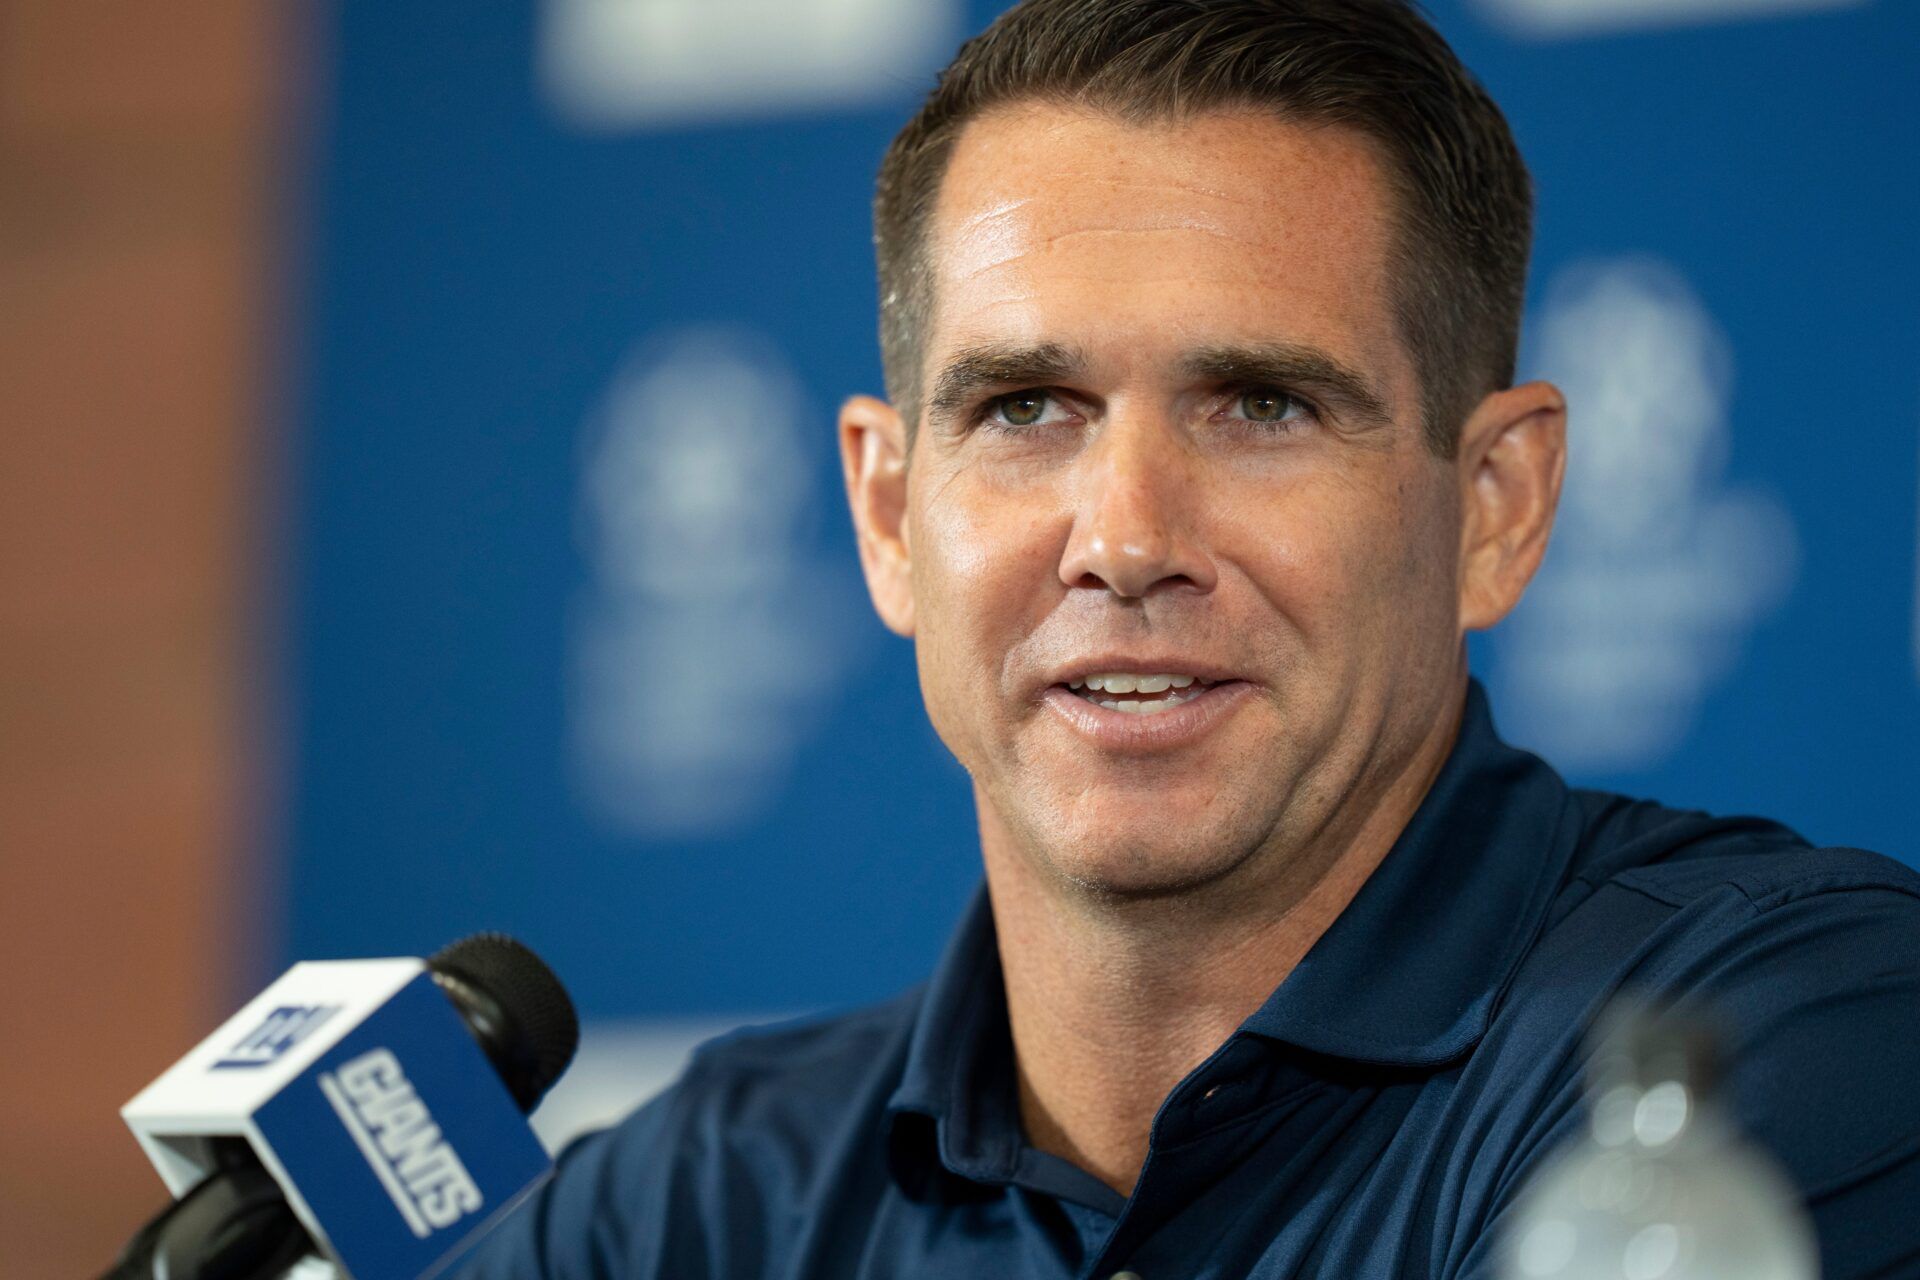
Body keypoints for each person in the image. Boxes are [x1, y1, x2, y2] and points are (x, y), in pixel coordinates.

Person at [461, 1, 1920, 1275]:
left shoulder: (1789, 1043)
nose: (1125, 539)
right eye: (1026, 409)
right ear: (890, 514)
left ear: (1495, 505)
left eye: (1262, 407)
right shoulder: (698, 1203)